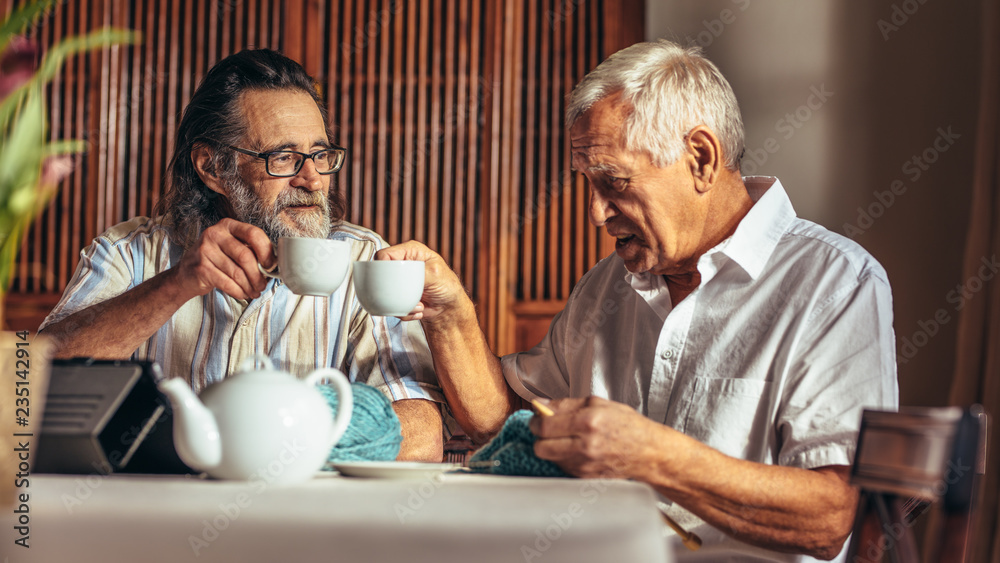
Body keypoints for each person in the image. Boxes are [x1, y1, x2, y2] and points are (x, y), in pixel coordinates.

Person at [381, 39, 898, 561]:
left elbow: (832, 517)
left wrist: (652, 456)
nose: (596, 213)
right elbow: (510, 420)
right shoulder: (605, 285)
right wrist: (450, 314)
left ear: (700, 157)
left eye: (615, 183)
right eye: (588, 184)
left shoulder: (835, 282)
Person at [40, 49, 446, 461]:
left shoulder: (367, 260)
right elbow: (33, 383)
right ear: (212, 166)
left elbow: (420, 433)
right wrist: (175, 284)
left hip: (304, 517)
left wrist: (270, 451)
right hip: (154, 514)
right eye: (283, 158)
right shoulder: (127, 253)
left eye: (320, 156)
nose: (312, 179)